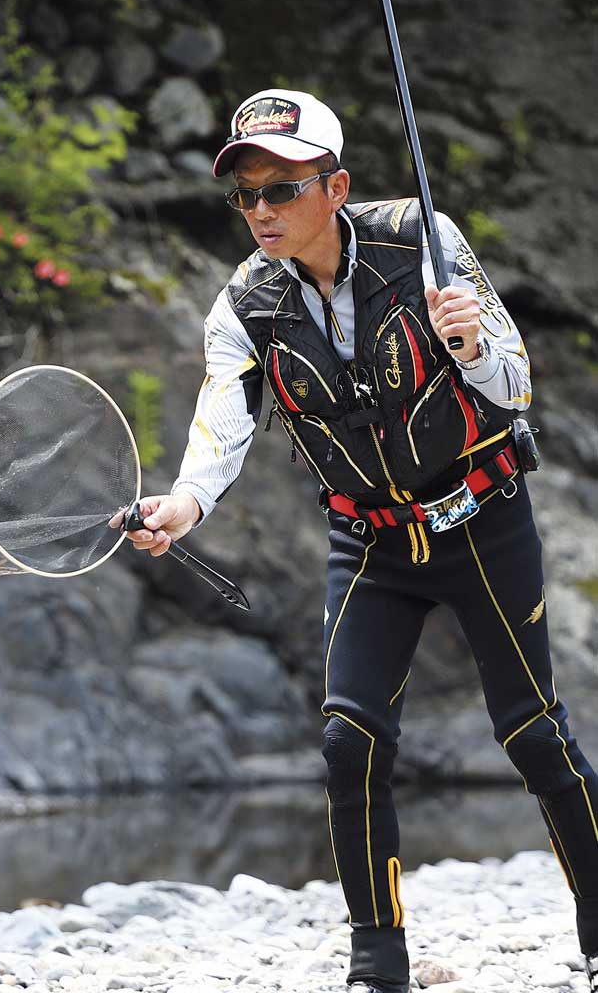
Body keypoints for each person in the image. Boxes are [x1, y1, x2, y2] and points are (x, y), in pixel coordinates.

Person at [110, 88, 598, 993]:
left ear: (335, 188)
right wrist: (183, 505)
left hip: (482, 518)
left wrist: (472, 347)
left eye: (281, 190)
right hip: (369, 544)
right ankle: (378, 965)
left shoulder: (426, 239)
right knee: (348, 740)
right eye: (246, 194)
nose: (260, 211)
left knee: (532, 732)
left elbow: (518, 384)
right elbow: (224, 422)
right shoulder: (243, 304)